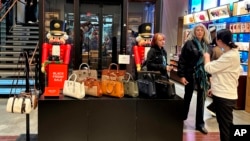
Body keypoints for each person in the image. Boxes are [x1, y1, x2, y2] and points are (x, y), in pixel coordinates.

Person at [204, 29, 241, 141]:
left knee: (225, 127)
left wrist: (206, 58)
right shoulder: (231, 53)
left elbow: (209, 68)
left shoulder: (229, 56)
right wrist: (214, 87)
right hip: (224, 93)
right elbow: (224, 73)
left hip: (225, 96)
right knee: (226, 124)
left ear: (219, 41)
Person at [177, 23, 211, 134]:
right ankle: (182, 118)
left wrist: (209, 77)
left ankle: (200, 124)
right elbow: (182, 60)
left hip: (203, 76)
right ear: (194, 32)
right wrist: (181, 75)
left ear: (205, 32)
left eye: (202, 30)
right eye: (197, 30)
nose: (200, 32)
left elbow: (209, 63)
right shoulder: (189, 44)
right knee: (188, 97)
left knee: (201, 100)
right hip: (190, 74)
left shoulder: (207, 45)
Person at [207, 26, 224, 117]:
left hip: (212, 73)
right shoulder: (218, 50)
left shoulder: (212, 49)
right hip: (215, 74)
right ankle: (213, 108)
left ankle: (214, 108)